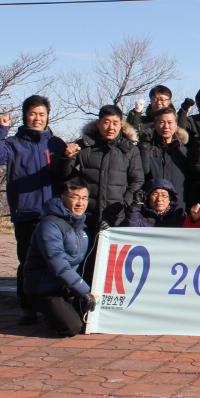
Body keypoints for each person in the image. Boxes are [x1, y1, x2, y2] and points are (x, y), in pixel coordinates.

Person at [0, 94, 66, 325]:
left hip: (54, 214)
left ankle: (53, 307)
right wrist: (1, 130)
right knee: (28, 262)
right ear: (25, 116)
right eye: (33, 114)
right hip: (26, 213)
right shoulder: (14, 143)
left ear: (48, 116)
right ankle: (28, 307)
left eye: (42, 114)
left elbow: (66, 172)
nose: (37, 118)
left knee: (55, 261)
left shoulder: (56, 144)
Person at [56, 105, 144, 277]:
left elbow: (137, 180)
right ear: (98, 123)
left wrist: (124, 204)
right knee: (83, 261)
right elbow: (62, 174)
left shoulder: (129, 149)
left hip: (116, 217)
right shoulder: (84, 145)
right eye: (106, 122)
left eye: (115, 123)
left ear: (121, 125)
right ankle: (80, 291)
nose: (111, 127)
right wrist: (65, 157)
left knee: (111, 265)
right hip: (85, 216)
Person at [23, 178, 97, 337]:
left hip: (67, 287)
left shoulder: (82, 224)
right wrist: (85, 292)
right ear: (63, 198)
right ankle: (47, 314)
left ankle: (65, 307)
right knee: (72, 328)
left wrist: (102, 231)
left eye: (84, 198)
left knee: (90, 322)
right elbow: (58, 265)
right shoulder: (49, 225)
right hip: (44, 288)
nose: (80, 203)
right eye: (75, 197)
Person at [138, 106, 193, 211]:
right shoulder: (146, 148)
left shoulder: (183, 151)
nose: (166, 126)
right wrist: (144, 145)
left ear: (176, 124)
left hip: (178, 209)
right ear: (155, 124)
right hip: (150, 208)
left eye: (170, 122)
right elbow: (142, 173)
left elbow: (191, 183)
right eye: (162, 122)